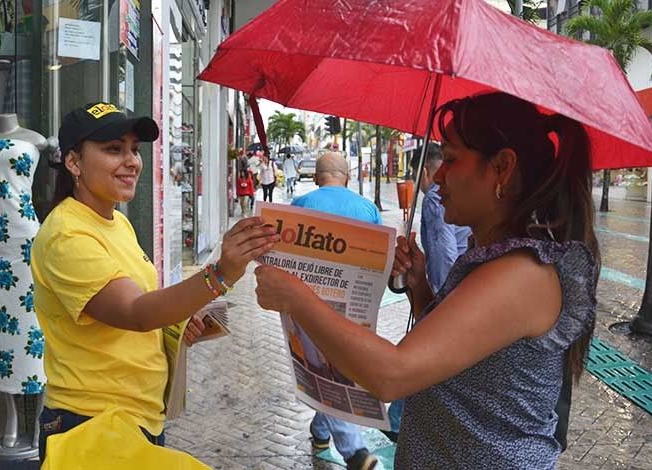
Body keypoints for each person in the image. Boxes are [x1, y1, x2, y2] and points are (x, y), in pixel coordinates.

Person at [255, 92, 600, 468]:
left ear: (501, 168)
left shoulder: (522, 273)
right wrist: (420, 288)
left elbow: (393, 375)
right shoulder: (492, 257)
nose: (438, 176)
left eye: (450, 159)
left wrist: (296, 297)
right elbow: (464, 356)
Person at [32, 102, 279, 461]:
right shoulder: (66, 234)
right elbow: (136, 312)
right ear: (73, 163)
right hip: (91, 423)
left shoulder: (117, 223)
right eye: (113, 149)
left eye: (134, 149)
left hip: (138, 418)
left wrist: (177, 324)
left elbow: (137, 307)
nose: (131, 161)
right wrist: (220, 274)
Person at [291, 151, 380, 470]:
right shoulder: (368, 209)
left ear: (317, 177)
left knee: (323, 370)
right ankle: (348, 446)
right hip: (354, 306)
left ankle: (341, 443)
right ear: (347, 177)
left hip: (309, 304)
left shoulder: (301, 204)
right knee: (337, 370)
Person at [384, 143, 472, 442]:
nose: (442, 175)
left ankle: (396, 419)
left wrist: (439, 304)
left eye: (453, 159)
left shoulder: (436, 199)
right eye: (444, 161)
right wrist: (419, 282)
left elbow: (445, 255)